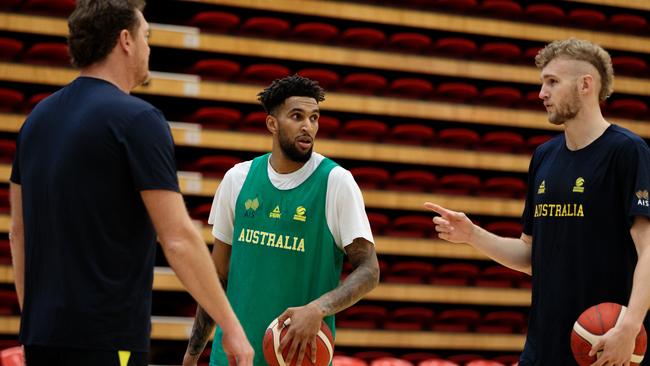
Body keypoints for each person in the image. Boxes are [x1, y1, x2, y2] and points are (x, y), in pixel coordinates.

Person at [9, 1, 253, 365]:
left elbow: (18, 233)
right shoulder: (138, 119)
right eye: (146, 36)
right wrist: (231, 328)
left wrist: (36, 323)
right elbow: (177, 238)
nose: (149, 47)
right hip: (108, 339)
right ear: (125, 40)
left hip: (41, 338)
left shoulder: (35, 121)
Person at [425, 38, 650, 365]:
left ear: (585, 84)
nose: (542, 93)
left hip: (606, 346)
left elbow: (648, 248)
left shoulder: (627, 152)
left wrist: (630, 327)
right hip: (542, 349)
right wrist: (473, 235)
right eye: (543, 83)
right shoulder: (544, 157)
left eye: (552, 82)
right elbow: (531, 255)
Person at [182, 75, 380, 366]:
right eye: (297, 116)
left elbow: (370, 271)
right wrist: (193, 353)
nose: (307, 126)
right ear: (272, 124)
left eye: (314, 118)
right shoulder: (238, 179)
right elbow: (218, 278)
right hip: (232, 357)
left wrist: (318, 309)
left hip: (297, 357)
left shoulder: (336, 182)